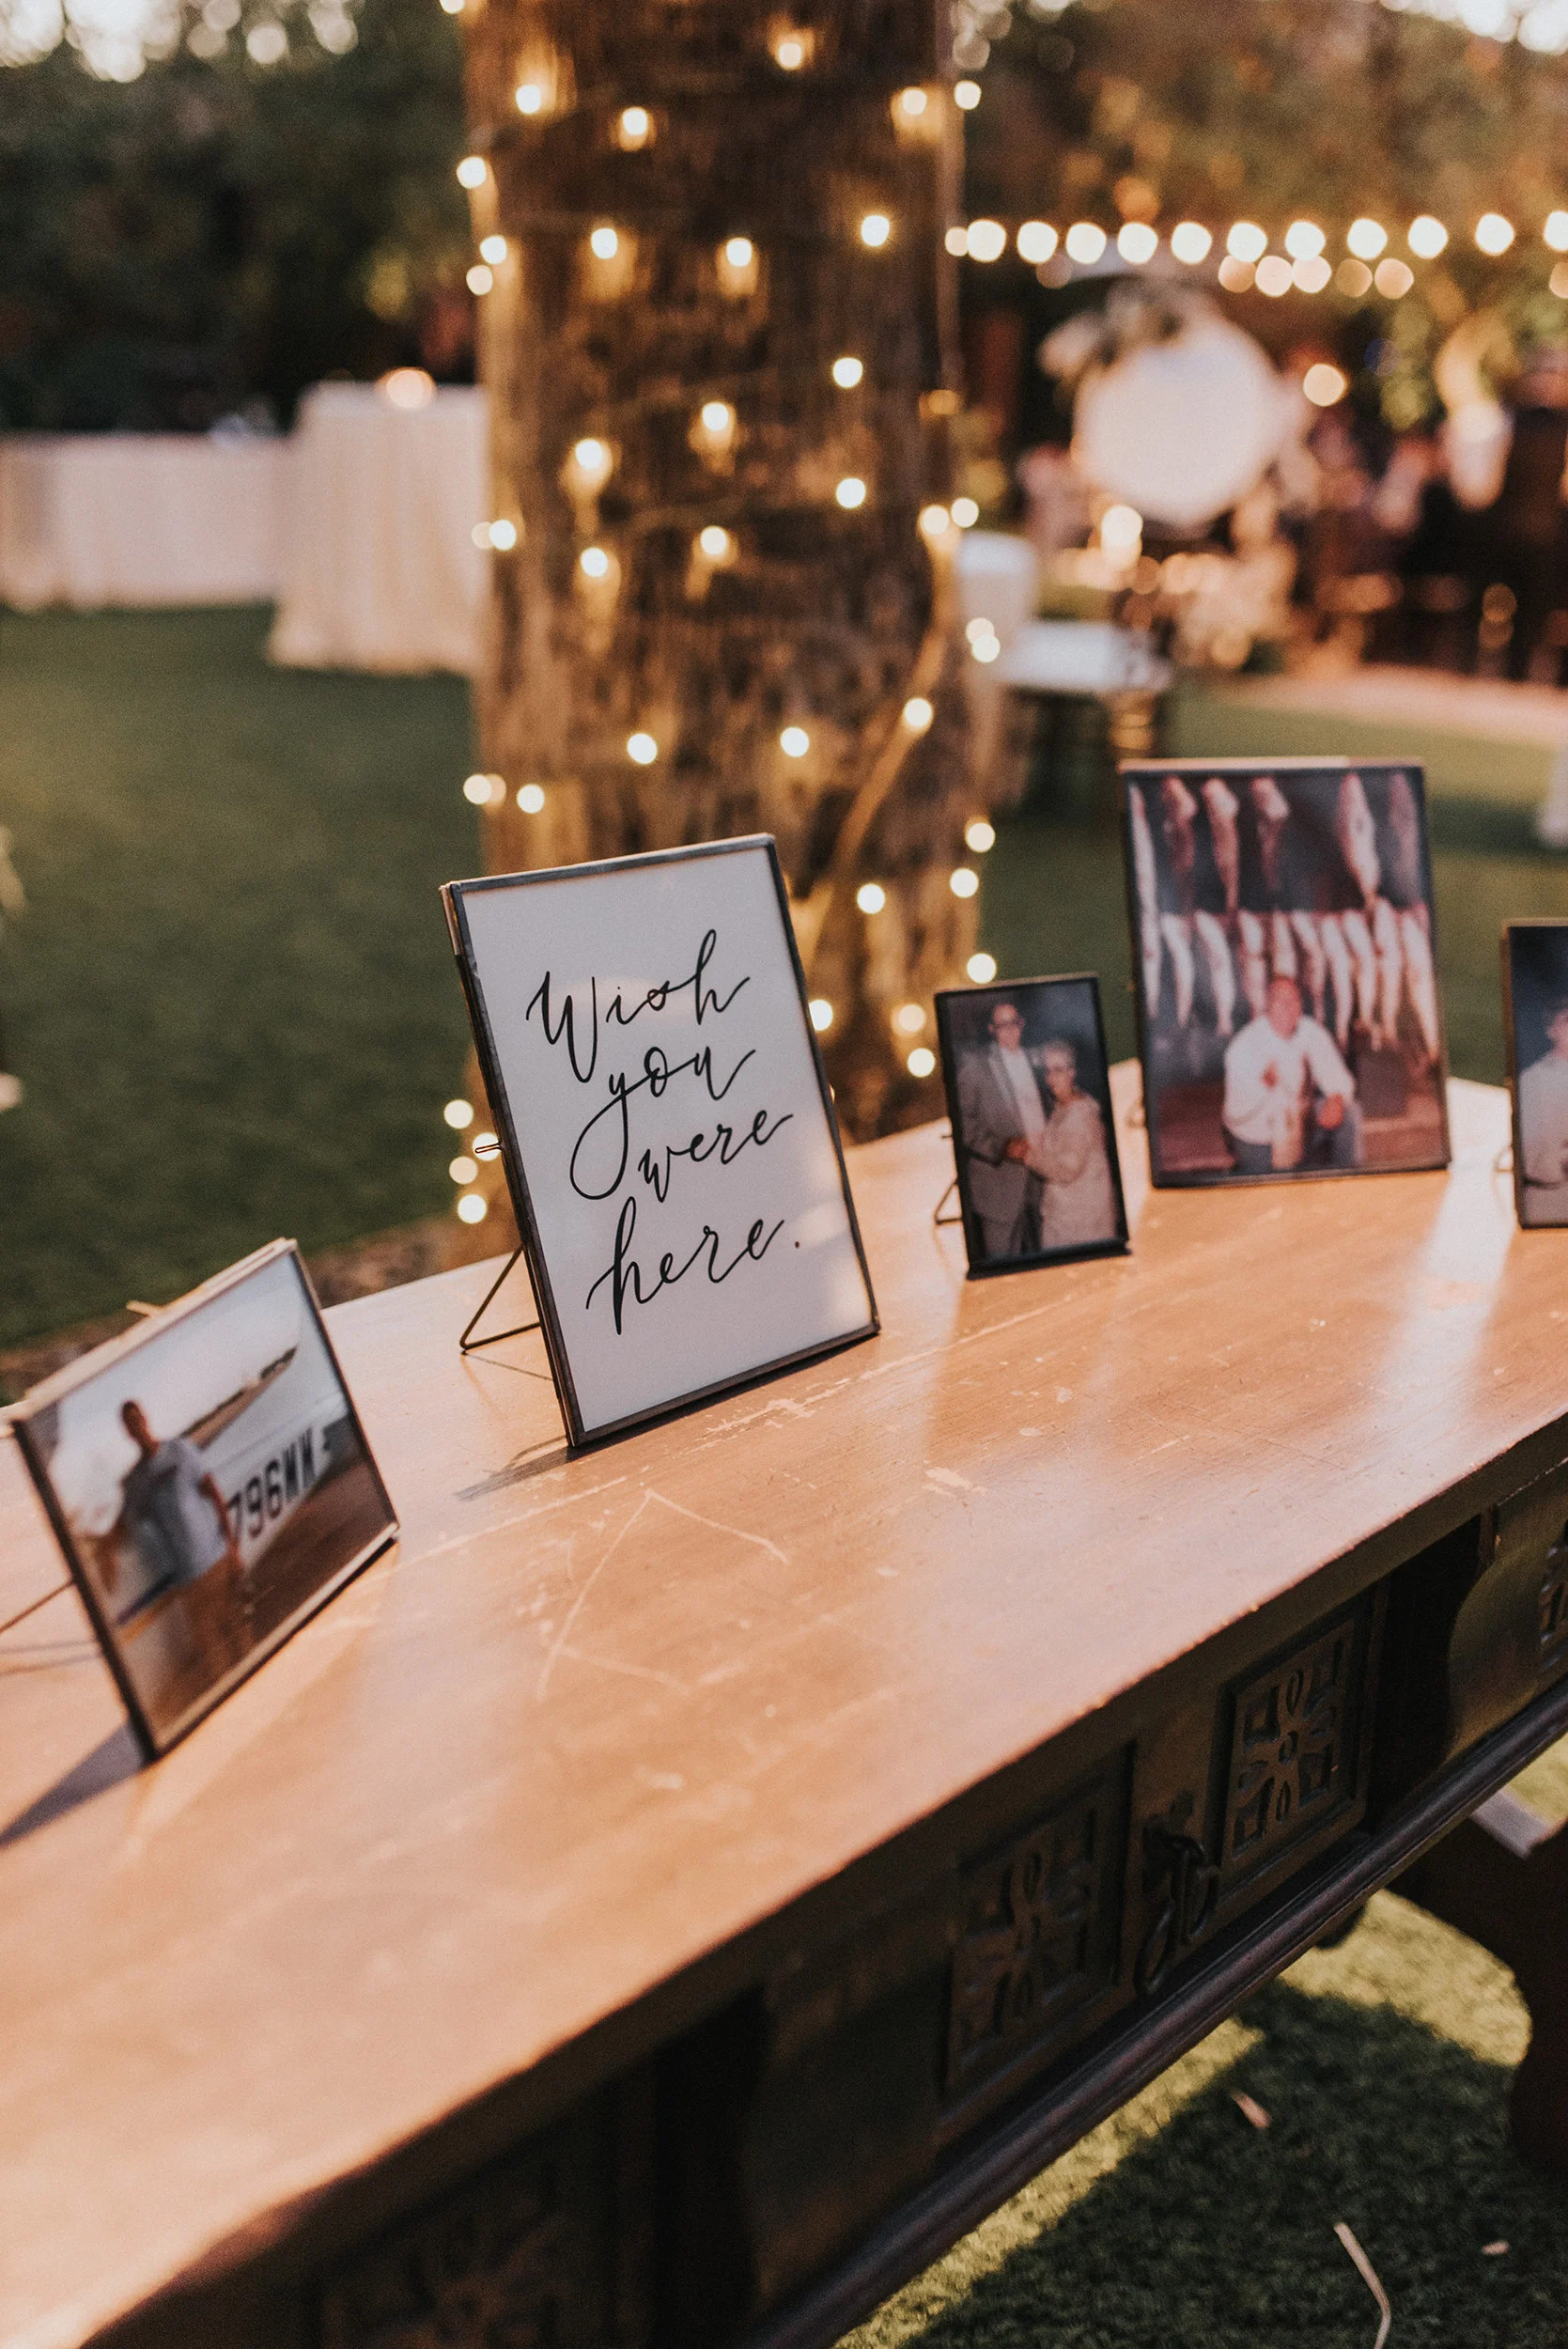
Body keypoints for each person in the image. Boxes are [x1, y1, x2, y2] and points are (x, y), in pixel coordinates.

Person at [111, 1400, 250, 1681]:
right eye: (129, 1422)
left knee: (245, 1644)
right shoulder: (137, 1481)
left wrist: (233, 1549)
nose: (135, 1425)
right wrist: (105, 1555)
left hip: (217, 1563)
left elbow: (215, 1494)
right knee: (216, 1664)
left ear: (145, 1419)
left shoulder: (180, 1450)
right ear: (127, 1432)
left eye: (137, 1417)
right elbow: (122, 1525)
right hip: (188, 1584)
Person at [1221, 972, 1362, 1174]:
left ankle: (1349, 1181)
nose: (1288, 1007)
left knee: (1350, 1113)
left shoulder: (1310, 1030)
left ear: (1301, 1005)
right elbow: (1238, 1112)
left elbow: (1336, 1073)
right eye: (1280, 1000)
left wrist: (1337, 1097)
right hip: (1257, 1134)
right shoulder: (1244, 1045)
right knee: (1270, 1190)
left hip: (1298, 1119)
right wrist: (1263, 1084)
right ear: (1267, 1006)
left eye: (1294, 1000)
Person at [956, 999, 1051, 1259]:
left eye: (1015, 1023)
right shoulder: (976, 1070)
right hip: (999, 1187)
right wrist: (1002, 1147)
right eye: (1002, 1025)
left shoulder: (1037, 1061)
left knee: (1043, 1257)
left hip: (1040, 1175)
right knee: (1004, 1261)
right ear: (991, 1029)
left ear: (1022, 1025)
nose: (1010, 1031)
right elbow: (963, 1124)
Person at [1024, 1041, 1119, 1250]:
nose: (1050, 1079)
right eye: (1047, 1071)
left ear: (1072, 1072)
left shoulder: (1079, 1116)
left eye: (1057, 1070)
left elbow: (1066, 1170)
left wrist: (1026, 1154)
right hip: (1069, 1215)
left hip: (1079, 1225)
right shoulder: (1065, 1106)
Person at [1517, 994, 1568, 1225]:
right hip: (1552, 1205)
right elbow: (1540, 1165)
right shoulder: (1535, 1080)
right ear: (1552, 1030)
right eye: (1567, 1021)